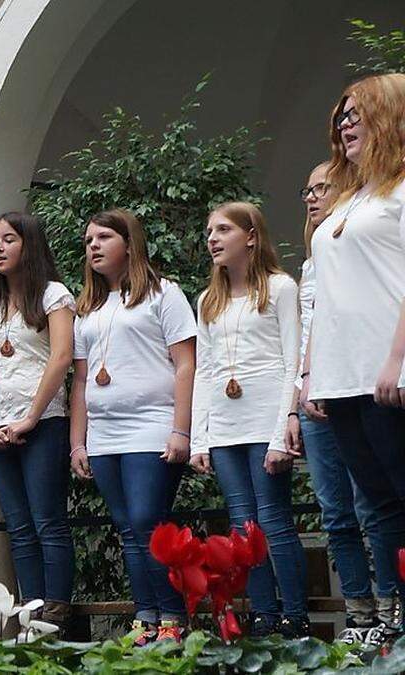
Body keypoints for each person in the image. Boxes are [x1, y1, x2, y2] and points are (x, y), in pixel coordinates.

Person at [302, 73, 405, 640]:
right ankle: (396, 617)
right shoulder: (349, 198)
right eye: (340, 115)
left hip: (386, 372)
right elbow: (327, 295)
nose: (344, 124)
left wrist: (396, 361)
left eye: (356, 113)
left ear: (389, 115)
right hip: (342, 379)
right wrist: (315, 372)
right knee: (381, 506)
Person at [69, 209, 195, 645]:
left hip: (152, 426)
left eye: (104, 237)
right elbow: (83, 379)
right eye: (88, 240)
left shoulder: (164, 295)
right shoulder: (87, 308)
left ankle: (174, 620)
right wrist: (76, 442)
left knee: (146, 520)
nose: (94, 246)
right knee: (127, 527)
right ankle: (147, 617)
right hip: (105, 434)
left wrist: (181, 430)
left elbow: (186, 364)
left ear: (130, 243)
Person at [286, 162, 395, 645]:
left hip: (361, 383)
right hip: (320, 391)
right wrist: (301, 391)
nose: (311, 197)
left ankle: (392, 607)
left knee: (375, 505)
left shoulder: (365, 243)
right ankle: (360, 614)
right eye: (306, 189)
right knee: (336, 513)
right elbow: (311, 330)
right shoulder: (313, 263)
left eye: (321, 188)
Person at [188, 202, 309, 638]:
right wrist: (200, 438)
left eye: (223, 230)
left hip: (265, 420)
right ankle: (263, 614)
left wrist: (281, 432)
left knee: (273, 520)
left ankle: (295, 615)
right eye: (209, 232)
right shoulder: (207, 299)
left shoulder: (280, 288)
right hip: (225, 425)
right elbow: (205, 370)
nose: (213, 239)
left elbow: (292, 360)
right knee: (242, 525)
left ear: (251, 236)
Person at [0, 212, 75, 631]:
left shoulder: (53, 295)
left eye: (8, 240)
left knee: (48, 519)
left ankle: (57, 610)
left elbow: (62, 357)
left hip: (44, 422)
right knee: (18, 524)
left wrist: (32, 416)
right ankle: (30, 613)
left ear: (28, 246)